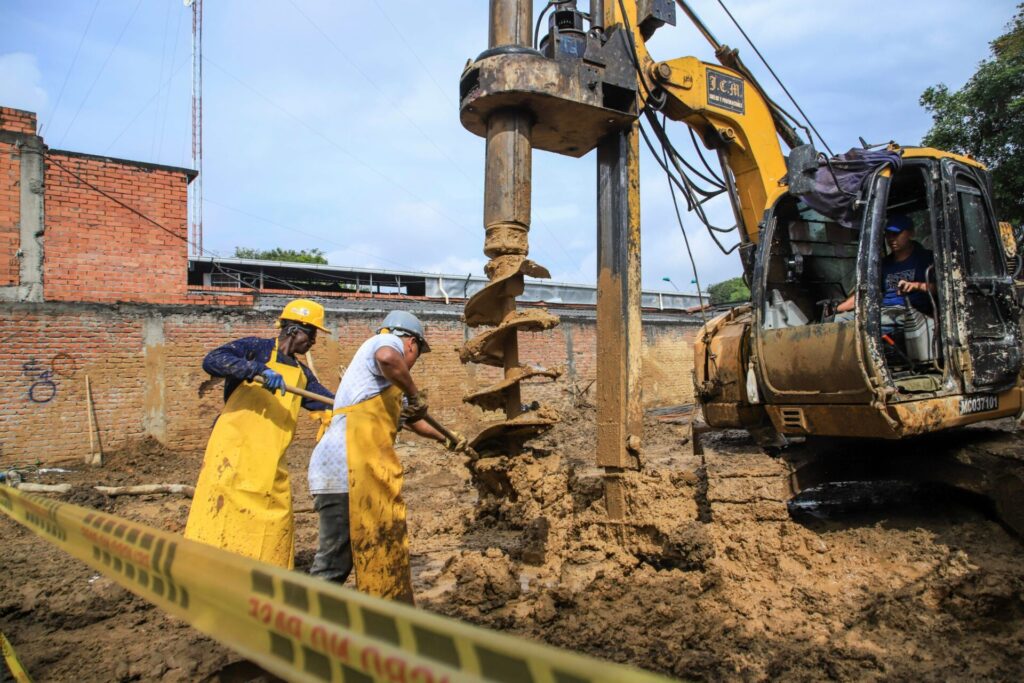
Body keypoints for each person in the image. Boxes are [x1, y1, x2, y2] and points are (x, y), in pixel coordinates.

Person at [307, 310, 470, 604]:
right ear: (411, 343)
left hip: (362, 474)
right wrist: (415, 391)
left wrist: (448, 440)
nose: (414, 360)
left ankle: (381, 618)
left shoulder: (385, 385)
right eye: (418, 353)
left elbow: (413, 420)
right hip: (345, 472)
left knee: (376, 549)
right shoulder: (383, 343)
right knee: (333, 564)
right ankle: (299, 632)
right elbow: (387, 357)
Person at [184, 298, 334, 568]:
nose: (313, 342)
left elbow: (326, 400)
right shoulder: (255, 349)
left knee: (275, 516)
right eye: (311, 334)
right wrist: (255, 370)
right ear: (293, 330)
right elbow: (212, 360)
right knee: (223, 513)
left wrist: (362, 406)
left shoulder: (302, 374)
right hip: (234, 454)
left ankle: (267, 570)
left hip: (269, 461)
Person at [834, 214, 935, 331]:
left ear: (911, 233)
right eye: (888, 234)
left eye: (896, 234)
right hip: (885, 311)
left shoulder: (926, 258)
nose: (891, 239)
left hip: (912, 314)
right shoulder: (884, 265)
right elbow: (866, 292)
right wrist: (837, 308)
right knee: (836, 322)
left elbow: (943, 289)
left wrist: (917, 286)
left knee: (867, 326)